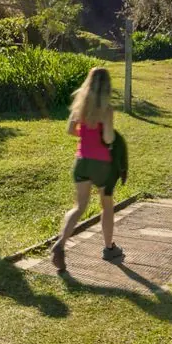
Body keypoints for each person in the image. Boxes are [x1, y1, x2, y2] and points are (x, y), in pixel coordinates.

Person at [54, 67, 123, 270]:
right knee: (107, 206)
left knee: (79, 207)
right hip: (102, 164)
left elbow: (70, 130)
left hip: (81, 161)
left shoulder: (80, 106)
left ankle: (60, 243)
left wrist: (86, 135)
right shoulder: (107, 109)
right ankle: (109, 248)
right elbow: (109, 138)